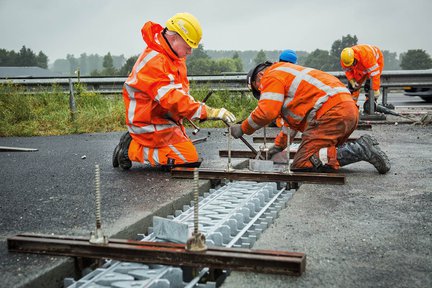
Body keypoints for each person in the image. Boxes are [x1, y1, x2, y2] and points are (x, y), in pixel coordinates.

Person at [113, 12, 236, 170]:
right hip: (147, 122)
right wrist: (208, 111)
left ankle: (136, 144)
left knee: (186, 155)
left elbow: (178, 94)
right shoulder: (156, 61)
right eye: (188, 46)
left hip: (161, 117)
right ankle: (130, 149)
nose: (190, 52)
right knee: (187, 159)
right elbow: (173, 98)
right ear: (173, 38)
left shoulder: (173, 55)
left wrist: (186, 111)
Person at [229, 61, 391, 174]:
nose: (262, 91)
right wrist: (277, 148)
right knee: (321, 153)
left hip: (331, 113)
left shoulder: (270, 76)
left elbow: (266, 112)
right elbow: (290, 126)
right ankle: (356, 149)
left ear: (260, 75)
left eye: (259, 89)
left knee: (302, 163)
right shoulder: (288, 74)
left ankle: (360, 149)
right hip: (345, 112)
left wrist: (243, 128)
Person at [340, 44, 384, 112]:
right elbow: (348, 71)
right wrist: (352, 81)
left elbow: (375, 74)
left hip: (375, 61)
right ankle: (352, 107)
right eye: (350, 64)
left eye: (352, 63)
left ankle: (369, 106)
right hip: (360, 65)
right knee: (353, 86)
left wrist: (375, 89)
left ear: (354, 56)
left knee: (369, 85)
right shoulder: (345, 60)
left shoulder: (366, 56)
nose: (351, 65)